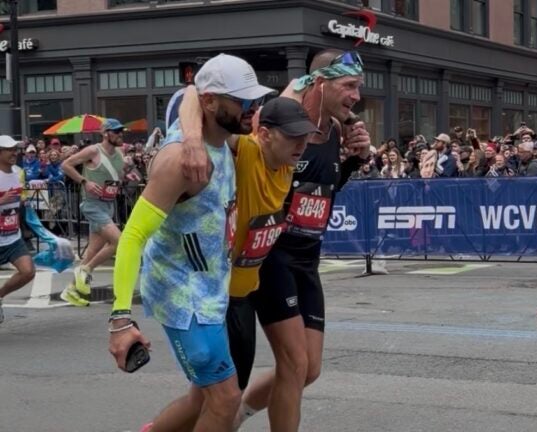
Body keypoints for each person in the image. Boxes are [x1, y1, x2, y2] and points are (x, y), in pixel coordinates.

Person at [198, 49, 369, 432]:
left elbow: (321, 192)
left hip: (308, 260)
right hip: (273, 256)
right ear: (320, 82)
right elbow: (225, 138)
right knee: (293, 365)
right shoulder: (278, 117)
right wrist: (192, 140)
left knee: (309, 370)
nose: (356, 96)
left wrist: (355, 160)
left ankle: (235, 413)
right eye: (349, 86)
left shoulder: (335, 130)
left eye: (358, 87)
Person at [107, 53, 274, 432]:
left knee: (203, 396)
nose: (253, 108)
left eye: (255, 99)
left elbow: (189, 92)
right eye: (243, 100)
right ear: (212, 102)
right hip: (185, 298)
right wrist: (119, 320)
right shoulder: (180, 161)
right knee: (226, 398)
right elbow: (132, 236)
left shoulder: (223, 140)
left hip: (210, 290)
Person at [179, 94, 317, 397]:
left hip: (244, 290)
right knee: (217, 397)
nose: (302, 145)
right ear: (265, 135)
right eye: (294, 137)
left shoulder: (286, 164)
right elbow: (194, 94)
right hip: (218, 295)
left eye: (305, 137)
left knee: (226, 393)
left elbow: (293, 99)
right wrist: (191, 139)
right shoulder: (249, 150)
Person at [60, 118, 130, 306]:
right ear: (105, 133)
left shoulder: (120, 153)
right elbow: (65, 165)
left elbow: (118, 177)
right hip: (92, 204)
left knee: (91, 252)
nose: (120, 134)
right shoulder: (93, 150)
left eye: (121, 131)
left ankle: (70, 290)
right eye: (116, 132)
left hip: (109, 204)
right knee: (120, 241)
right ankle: (86, 270)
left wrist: (127, 175)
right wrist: (85, 181)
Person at [0, 136, 36, 324]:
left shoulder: (18, 172)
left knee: (28, 271)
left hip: (13, 236)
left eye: (15, 149)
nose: (14, 153)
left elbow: (21, 198)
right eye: (9, 150)